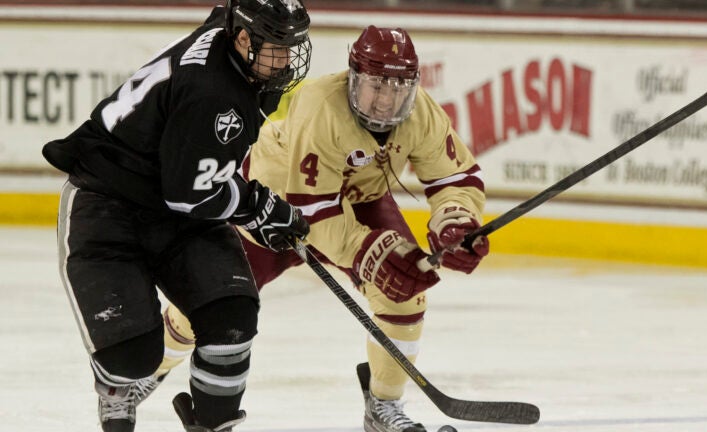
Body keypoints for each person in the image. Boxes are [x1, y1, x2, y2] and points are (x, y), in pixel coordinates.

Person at [159, 25, 490, 432]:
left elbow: (456, 177)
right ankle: (148, 368)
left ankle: (383, 406)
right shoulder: (321, 105)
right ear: (353, 76)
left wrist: (456, 220)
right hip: (274, 205)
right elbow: (312, 210)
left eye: (398, 88)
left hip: (357, 200)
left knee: (405, 293)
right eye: (376, 85)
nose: (386, 100)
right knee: (210, 303)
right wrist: (370, 253)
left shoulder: (421, 114)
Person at [41, 1, 312, 431]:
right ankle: (115, 389)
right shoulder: (214, 95)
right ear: (243, 38)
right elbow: (191, 195)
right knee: (132, 357)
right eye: (277, 47)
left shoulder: (229, 35)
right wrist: (258, 207)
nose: (286, 59)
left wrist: (255, 207)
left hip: (177, 197)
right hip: (108, 201)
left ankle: (211, 423)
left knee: (232, 318)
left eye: (291, 46)